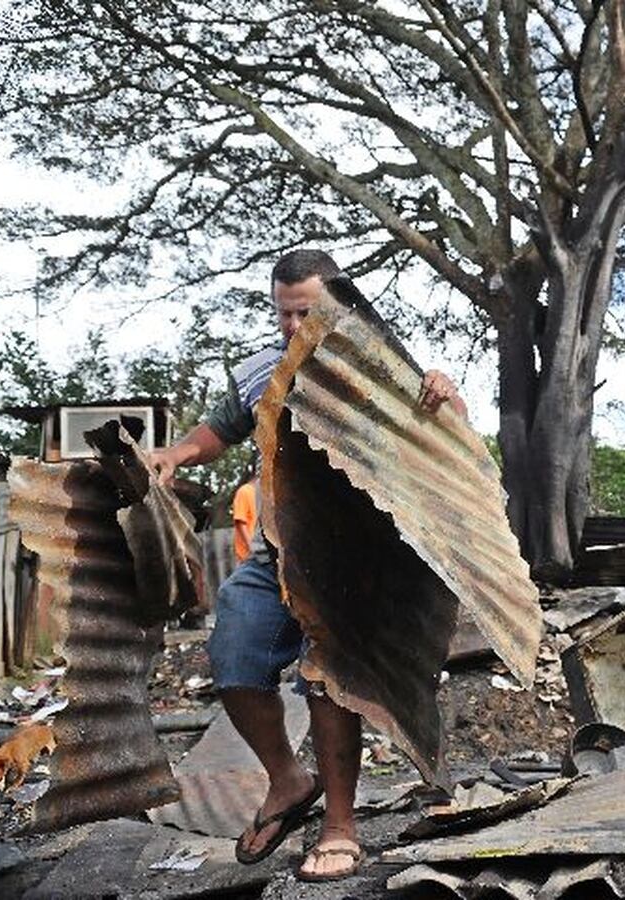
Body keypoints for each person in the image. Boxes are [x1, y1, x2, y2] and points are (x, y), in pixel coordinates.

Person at [150, 249, 466, 881]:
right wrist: (175, 455)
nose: (293, 327)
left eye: (306, 312)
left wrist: (443, 394)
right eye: (284, 313)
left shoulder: (379, 367)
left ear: (336, 304)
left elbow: (448, 443)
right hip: (279, 552)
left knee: (329, 679)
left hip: (355, 561)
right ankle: (289, 781)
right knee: (235, 656)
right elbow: (220, 427)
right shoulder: (266, 369)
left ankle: (341, 827)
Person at [232, 475, 258, 564]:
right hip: (248, 557)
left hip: (261, 554)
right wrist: (252, 548)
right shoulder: (245, 491)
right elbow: (240, 522)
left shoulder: (263, 495)